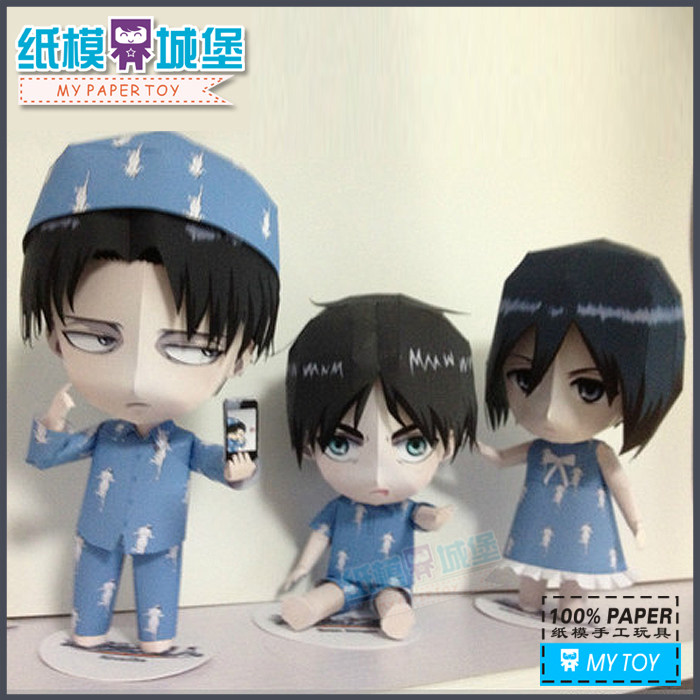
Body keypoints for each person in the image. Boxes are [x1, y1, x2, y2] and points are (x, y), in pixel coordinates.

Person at [22, 132, 280, 653]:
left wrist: (241, 469)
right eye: (96, 337)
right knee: (89, 602)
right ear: (55, 337)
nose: (138, 377)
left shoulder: (181, 445)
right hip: (97, 532)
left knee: (159, 601)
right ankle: (90, 627)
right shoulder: (103, 435)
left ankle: (157, 637)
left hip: (161, 535)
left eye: (189, 347)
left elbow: (222, 466)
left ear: (241, 355)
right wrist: (51, 424)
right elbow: (49, 455)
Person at [479, 240, 684, 613]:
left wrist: (636, 522)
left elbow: (619, 483)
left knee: (576, 574)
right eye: (525, 378)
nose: (549, 413)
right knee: (531, 575)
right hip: (536, 522)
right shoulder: (538, 449)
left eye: (589, 388)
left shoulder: (598, 453)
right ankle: (530, 600)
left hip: (582, 527)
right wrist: (472, 444)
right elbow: (499, 458)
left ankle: (571, 606)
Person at [282, 294, 477, 639]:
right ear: (310, 444)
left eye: (414, 445)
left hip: (391, 579)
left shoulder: (404, 509)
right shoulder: (339, 508)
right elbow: (320, 534)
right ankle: (310, 608)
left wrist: (435, 517)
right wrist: (302, 566)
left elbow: (423, 517)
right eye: (340, 444)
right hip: (343, 577)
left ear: (446, 445)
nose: (376, 475)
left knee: (391, 598)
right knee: (330, 593)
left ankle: (394, 613)